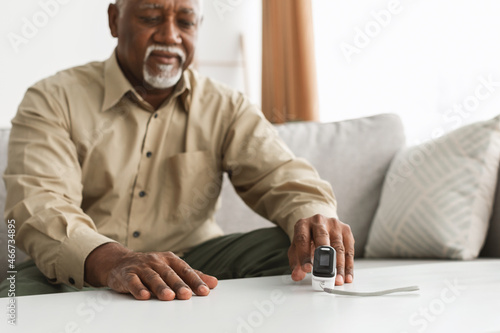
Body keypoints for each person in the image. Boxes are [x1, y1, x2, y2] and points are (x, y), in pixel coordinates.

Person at [1, 0, 354, 301]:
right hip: (86, 267)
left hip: (194, 263)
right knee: (14, 301)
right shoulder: (52, 99)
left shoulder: (226, 106)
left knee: (292, 246)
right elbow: (39, 202)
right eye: (151, 18)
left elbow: (282, 175)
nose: (170, 36)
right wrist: (113, 261)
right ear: (114, 20)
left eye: (184, 22)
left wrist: (314, 217)